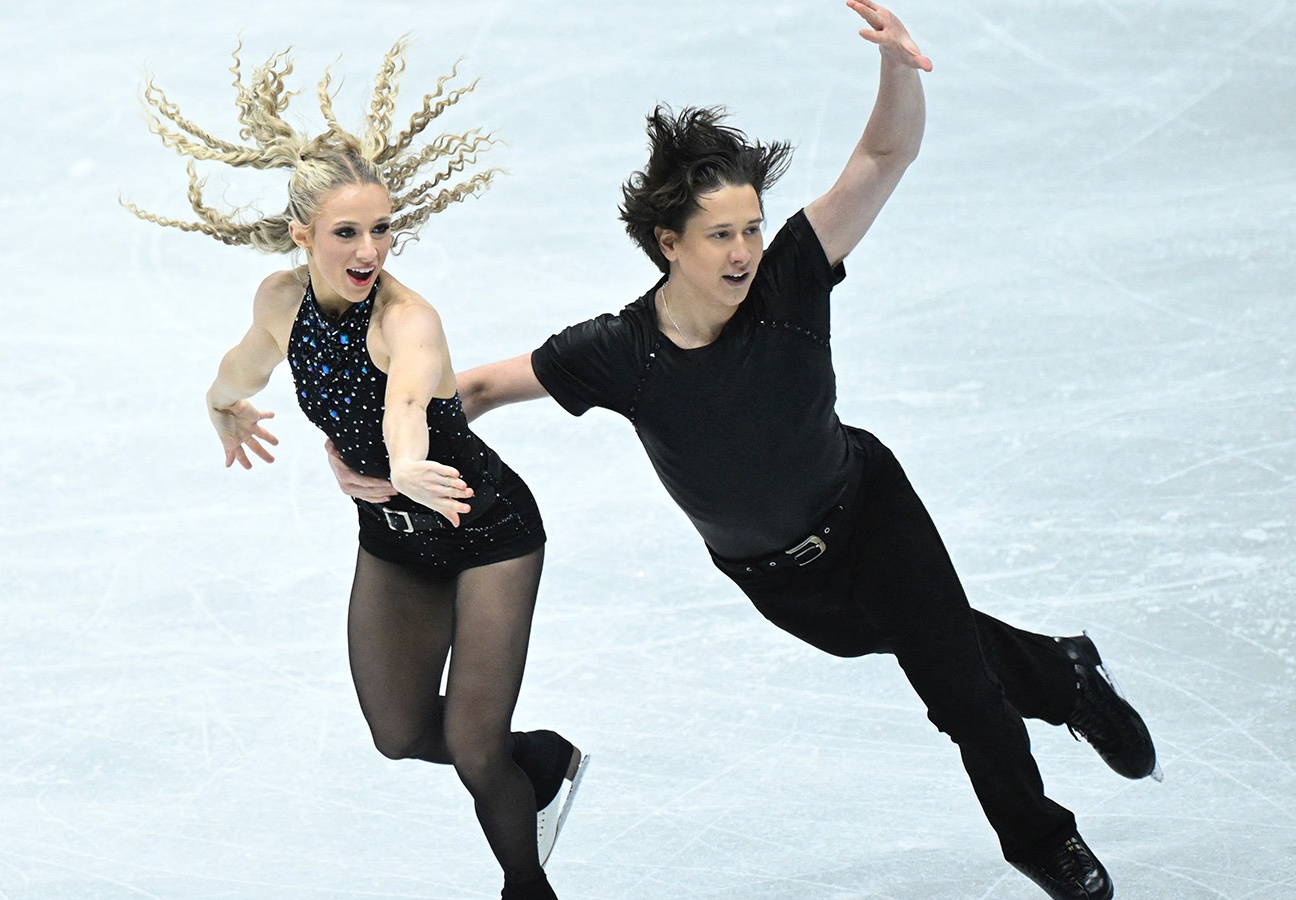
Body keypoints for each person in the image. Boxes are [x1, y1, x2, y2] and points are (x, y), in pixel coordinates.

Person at [329, 4, 1157, 899]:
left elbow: (881, 160)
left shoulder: (792, 276)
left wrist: (897, 68)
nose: (744, 251)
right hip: (772, 575)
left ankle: (1041, 842)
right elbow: (481, 387)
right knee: (929, 647)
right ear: (669, 244)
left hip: (868, 513)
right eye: (721, 235)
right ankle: (1066, 674)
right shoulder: (619, 350)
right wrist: (384, 449)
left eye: (752, 228)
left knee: (959, 693)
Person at [123, 39, 588, 900]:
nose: (370, 247)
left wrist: (406, 465)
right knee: (400, 731)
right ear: (303, 236)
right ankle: (546, 760)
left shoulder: (407, 320)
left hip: (487, 530)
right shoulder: (281, 300)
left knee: (476, 750)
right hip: (393, 534)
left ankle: (527, 887)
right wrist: (219, 405)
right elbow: (242, 370)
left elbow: (406, 407)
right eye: (347, 232)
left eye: (381, 227)